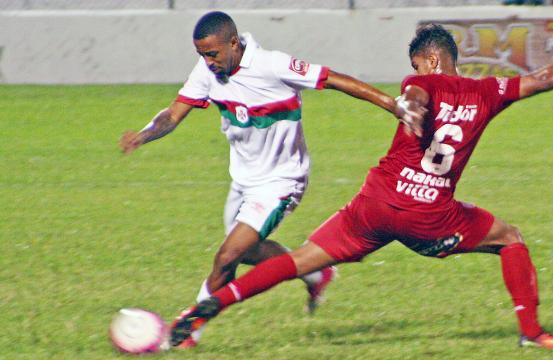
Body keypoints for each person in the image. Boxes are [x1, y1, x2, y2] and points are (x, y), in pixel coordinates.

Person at [167, 24, 553, 349]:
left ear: (429, 58)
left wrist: (411, 105)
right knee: (510, 238)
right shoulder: (490, 92)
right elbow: (544, 79)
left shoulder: (419, 82)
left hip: (373, 205)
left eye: (415, 62)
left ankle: (212, 305)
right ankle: (531, 332)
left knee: (298, 261)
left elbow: (416, 93)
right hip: (431, 218)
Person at [120, 11, 419, 348]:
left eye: (213, 54)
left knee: (227, 257)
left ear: (233, 43)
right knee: (248, 253)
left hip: (281, 182)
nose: (208, 62)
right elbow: (173, 114)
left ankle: (187, 330)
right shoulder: (207, 71)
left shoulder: (273, 65)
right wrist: (144, 134)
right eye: (201, 55)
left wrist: (391, 104)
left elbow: (333, 79)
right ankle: (316, 272)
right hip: (242, 182)